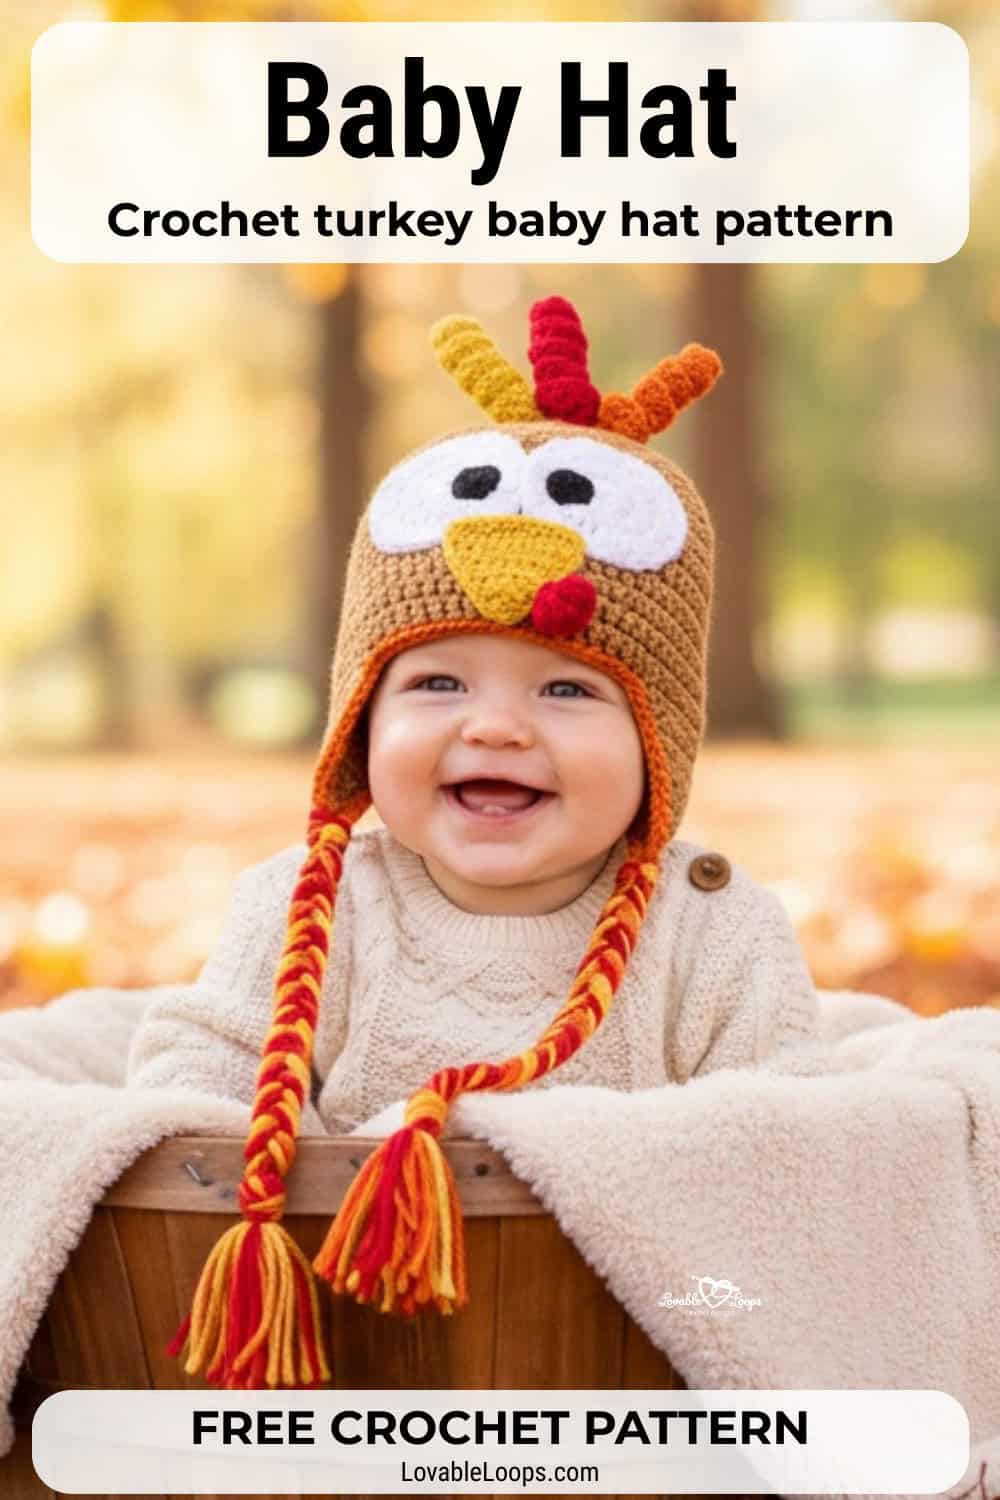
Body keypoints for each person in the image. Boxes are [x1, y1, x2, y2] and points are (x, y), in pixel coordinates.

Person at [125, 293, 819, 1388]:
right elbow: (197, 1074)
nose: (493, 725)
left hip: (617, 1362)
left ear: (657, 743)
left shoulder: (712, 930)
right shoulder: (310, 905)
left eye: (566, 688)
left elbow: (789, 1137)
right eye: (436, 682)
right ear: (360, 724)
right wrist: (253, 1145)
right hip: (351, 1353)